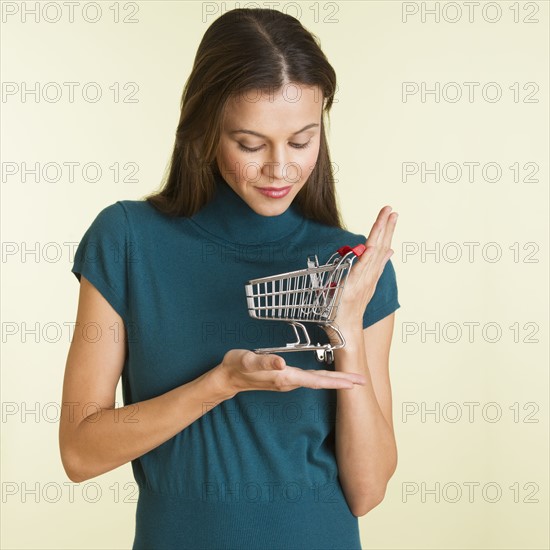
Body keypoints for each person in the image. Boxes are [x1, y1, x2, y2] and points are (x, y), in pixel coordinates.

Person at [59, 7, 400, 550]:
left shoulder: (350, 264)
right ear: (206, 129)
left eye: (302, 140)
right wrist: (222, 384)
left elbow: (367, 491)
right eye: (250, 143)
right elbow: (80, 453)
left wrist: (346, 335)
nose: (280, 167)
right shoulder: (127, 240)